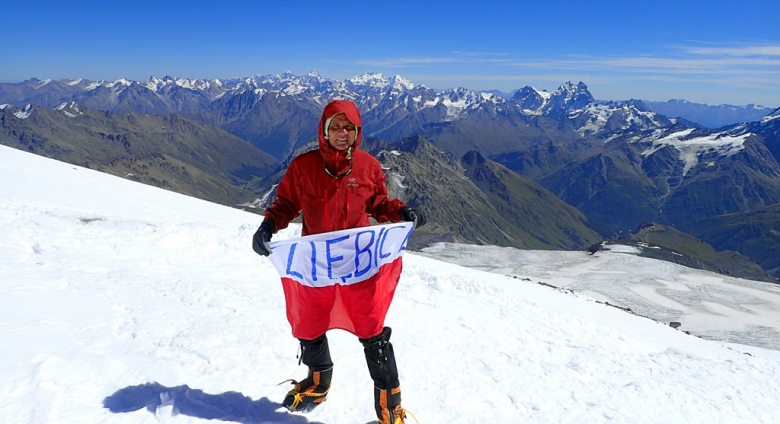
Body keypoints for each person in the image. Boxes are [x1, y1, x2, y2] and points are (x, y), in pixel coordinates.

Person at [252, 99, 426, 424]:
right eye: (336, 126)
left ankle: (390, 411)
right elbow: (287, 203)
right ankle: (318, 384)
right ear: (324, 130)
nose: (342, 133)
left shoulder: (368, 166)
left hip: (358, 263)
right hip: (316, 263)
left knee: (372, 331)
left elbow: (377, 201)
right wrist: (267, 226)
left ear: (357, 131)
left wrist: (400, 211)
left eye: (349, 127)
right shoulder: (303, 167)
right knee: (308, 323)